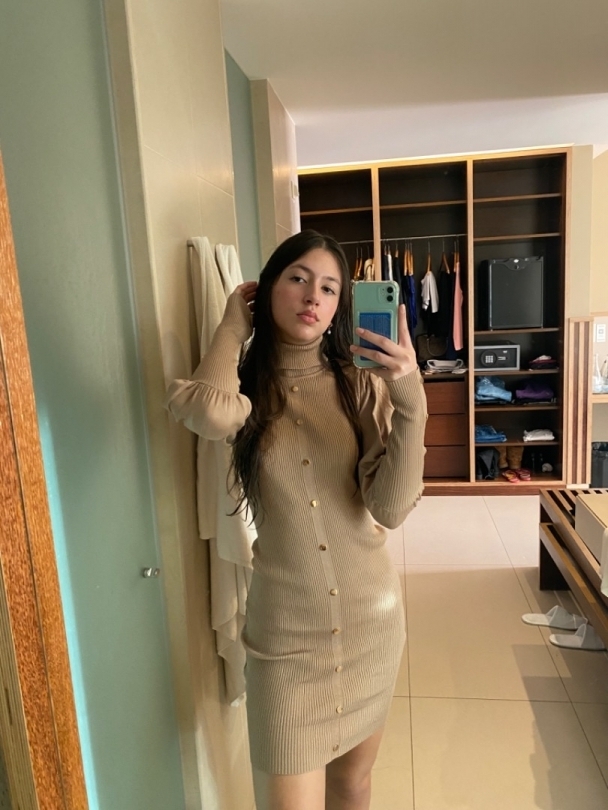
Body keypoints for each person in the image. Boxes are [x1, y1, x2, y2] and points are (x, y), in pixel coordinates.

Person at [166, 230, 427, 810]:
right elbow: (210, 414)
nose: (313, 296)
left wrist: (410, 397)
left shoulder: (358, 383)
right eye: (298, 278)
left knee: (353, 786)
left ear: (339, 307)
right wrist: (234, 325)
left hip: (372, 624)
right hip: (285, 644)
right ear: (267, 287)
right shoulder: (242, 386)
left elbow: (390, 508)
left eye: (330, 288)